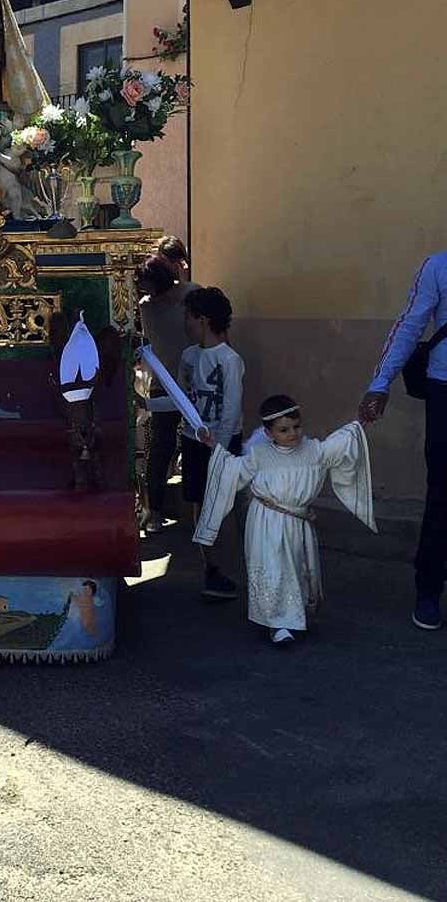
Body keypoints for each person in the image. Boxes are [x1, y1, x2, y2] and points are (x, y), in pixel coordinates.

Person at [194, 396, 375, 645]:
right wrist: (212, 444)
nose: (293, 434)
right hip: (266, 523)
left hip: (297, 522)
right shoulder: (259, 455)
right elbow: (231, 468)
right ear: (268, 433)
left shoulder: (313, 450)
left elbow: (340, 444)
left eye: (297, 427)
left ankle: (293, 616)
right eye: (283, 430)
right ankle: (277, 623)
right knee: (274, 568)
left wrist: (359, 425)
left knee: (297, 566)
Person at [358, 251, 447, 630]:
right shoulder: (438, 266)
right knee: (443, 494)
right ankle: (428, 587)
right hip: (445, 389)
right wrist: (380, 382)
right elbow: (410, 324)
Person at [147, 286, 244, 600]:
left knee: (224, 506)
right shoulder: (189, 357)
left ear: (202, 320)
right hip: (192, 441)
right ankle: (211, 568)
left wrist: (219, 448)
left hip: (221, 445)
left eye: (188, 316)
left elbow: (231, 409)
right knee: (199, 504)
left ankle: (231, 567)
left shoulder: (230, 360)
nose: (184, 322)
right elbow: (181, 399)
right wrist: (146, 406)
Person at [136, 254, 198, 532]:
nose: (157, 299)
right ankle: (155, 510)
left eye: (160, 293)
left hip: (196, 383)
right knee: (161, 448)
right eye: (150, 294)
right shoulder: (146, 307)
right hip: (163, 383)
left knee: (197, 443)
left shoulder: (192, 295)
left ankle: (200, 508)